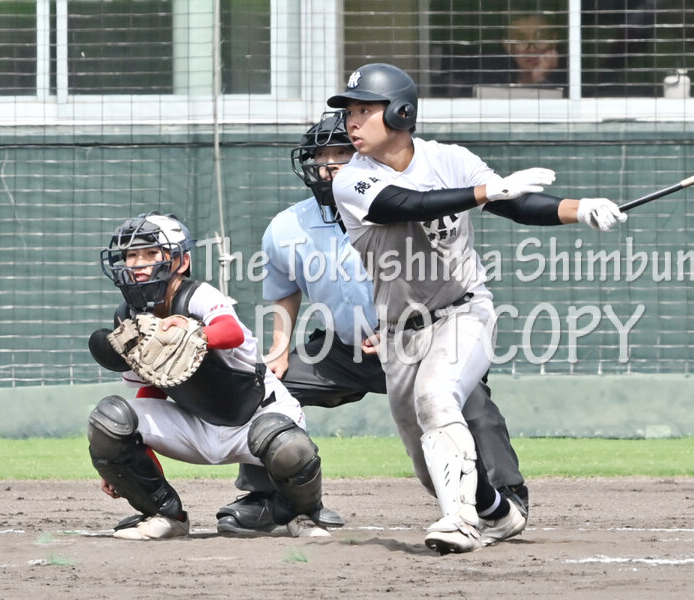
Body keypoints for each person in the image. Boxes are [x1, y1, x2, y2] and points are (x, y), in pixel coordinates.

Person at [326, 63, 626, 553]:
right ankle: (497, 512)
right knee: (430, 466)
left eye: (364, 110)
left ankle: (460, 523)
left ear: (401, 112)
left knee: (435, 398)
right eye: (349, 112)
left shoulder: (451, 159)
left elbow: (516, 204)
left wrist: (580, 208)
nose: (352, 122)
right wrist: (486, 191)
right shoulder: (351, 180)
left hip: (463, 311)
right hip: (399, 332)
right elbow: (402, 205)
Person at [215, 114, 530, 543]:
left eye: (341, 152)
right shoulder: (287, 227)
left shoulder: (400, 207)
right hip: (342, 350)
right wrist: (279, 349)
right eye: (320, 155)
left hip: (417, 337)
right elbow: (284, 291)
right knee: (266, 390)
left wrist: (393, 327)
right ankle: (268, 498)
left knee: (467, 403)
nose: (329, 164)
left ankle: (504, 496)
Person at [87, 212, 343, 539]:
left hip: (256, 416)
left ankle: (303, 514)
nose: (139, 263)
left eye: (151, 253)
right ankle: (165, 515)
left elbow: (231, 332)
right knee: (110, 420)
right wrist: (119, 463)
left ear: (181, 261)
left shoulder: (197, 295)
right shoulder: (129, 319)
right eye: (131, 255)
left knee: (288, 446)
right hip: (197, 425)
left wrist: (192, 333)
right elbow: (152, 388)